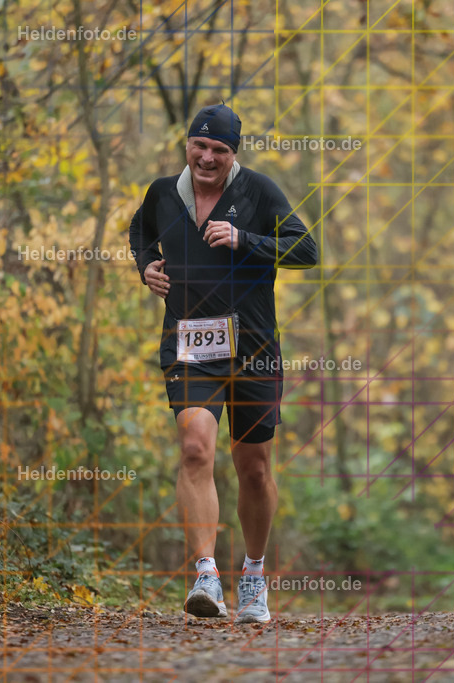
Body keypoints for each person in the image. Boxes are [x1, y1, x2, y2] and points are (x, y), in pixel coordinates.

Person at [128, 103, 318, 623]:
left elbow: (307, 249)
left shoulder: (258, 192)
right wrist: (146, 267)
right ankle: (206, 575)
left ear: (233, 154)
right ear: (187, 144)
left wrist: (245, 240)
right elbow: (140, 232)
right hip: (190, 347)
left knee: (253, 468)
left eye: (219, 149)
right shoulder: (163, 193)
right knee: (195, 449)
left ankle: (253, 576)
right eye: (200, 145)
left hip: (254, 351)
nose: (207, 157)